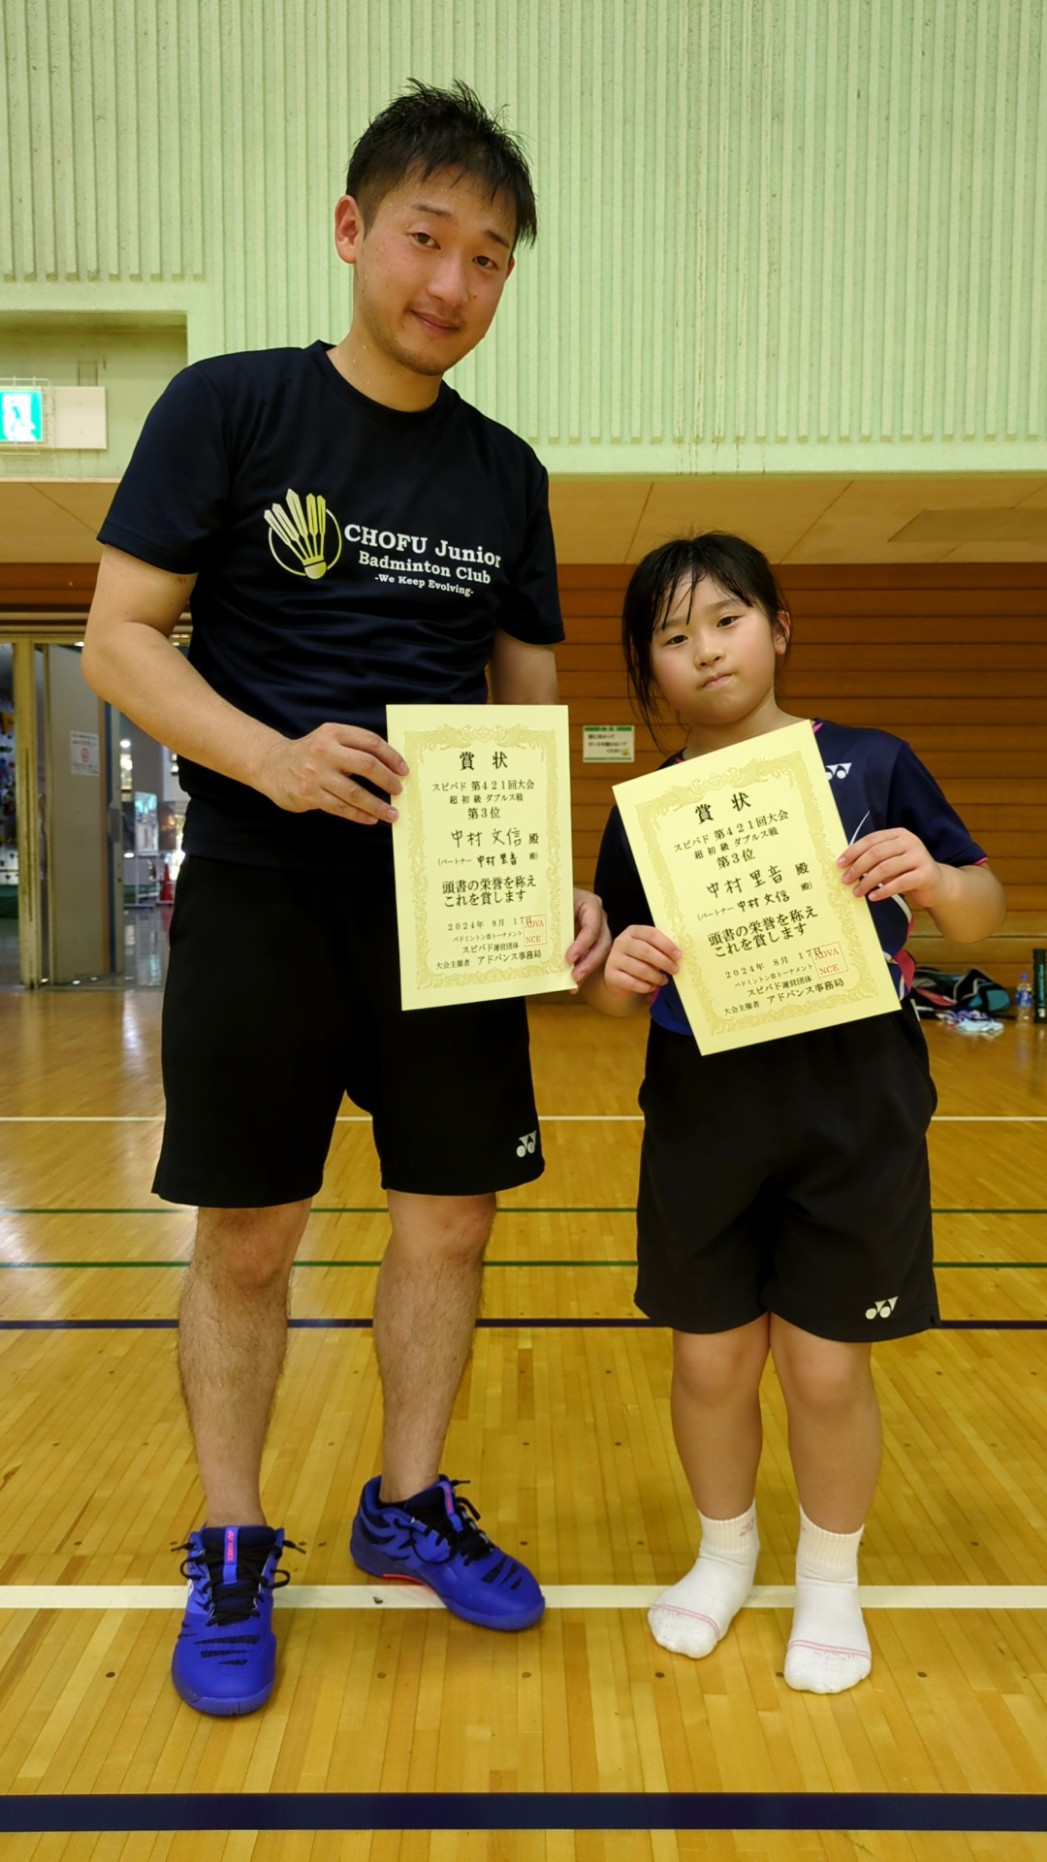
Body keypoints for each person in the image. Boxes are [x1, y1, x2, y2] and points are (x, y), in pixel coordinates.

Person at [82, 80, 608, 1717]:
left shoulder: (506, 474)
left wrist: (562, 885)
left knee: (451, 1216)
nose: (452, 283)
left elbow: (530, 705)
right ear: (351, 232)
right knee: (250, 1237)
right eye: (426, 239)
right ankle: (234, 1537)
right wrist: (271, 761)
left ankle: (409, 1499)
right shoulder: (227, 410)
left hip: (448, 916)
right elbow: (115, 645)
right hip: (258, 889)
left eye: (491, 258)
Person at [583, 532, 1005, 1694]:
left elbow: (978, 911)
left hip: (854, 1111)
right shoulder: (647, 811)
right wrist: (615, 974)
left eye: (725, 618)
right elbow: (611, 989)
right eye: (672, 638)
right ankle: (724, 1555)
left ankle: (829, 1578)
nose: (704, 651)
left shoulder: (869, 762)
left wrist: (933, 874)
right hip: (704, 1113)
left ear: (778, 626)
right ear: (648, 669)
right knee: (710, 1358)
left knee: (826, 1368)